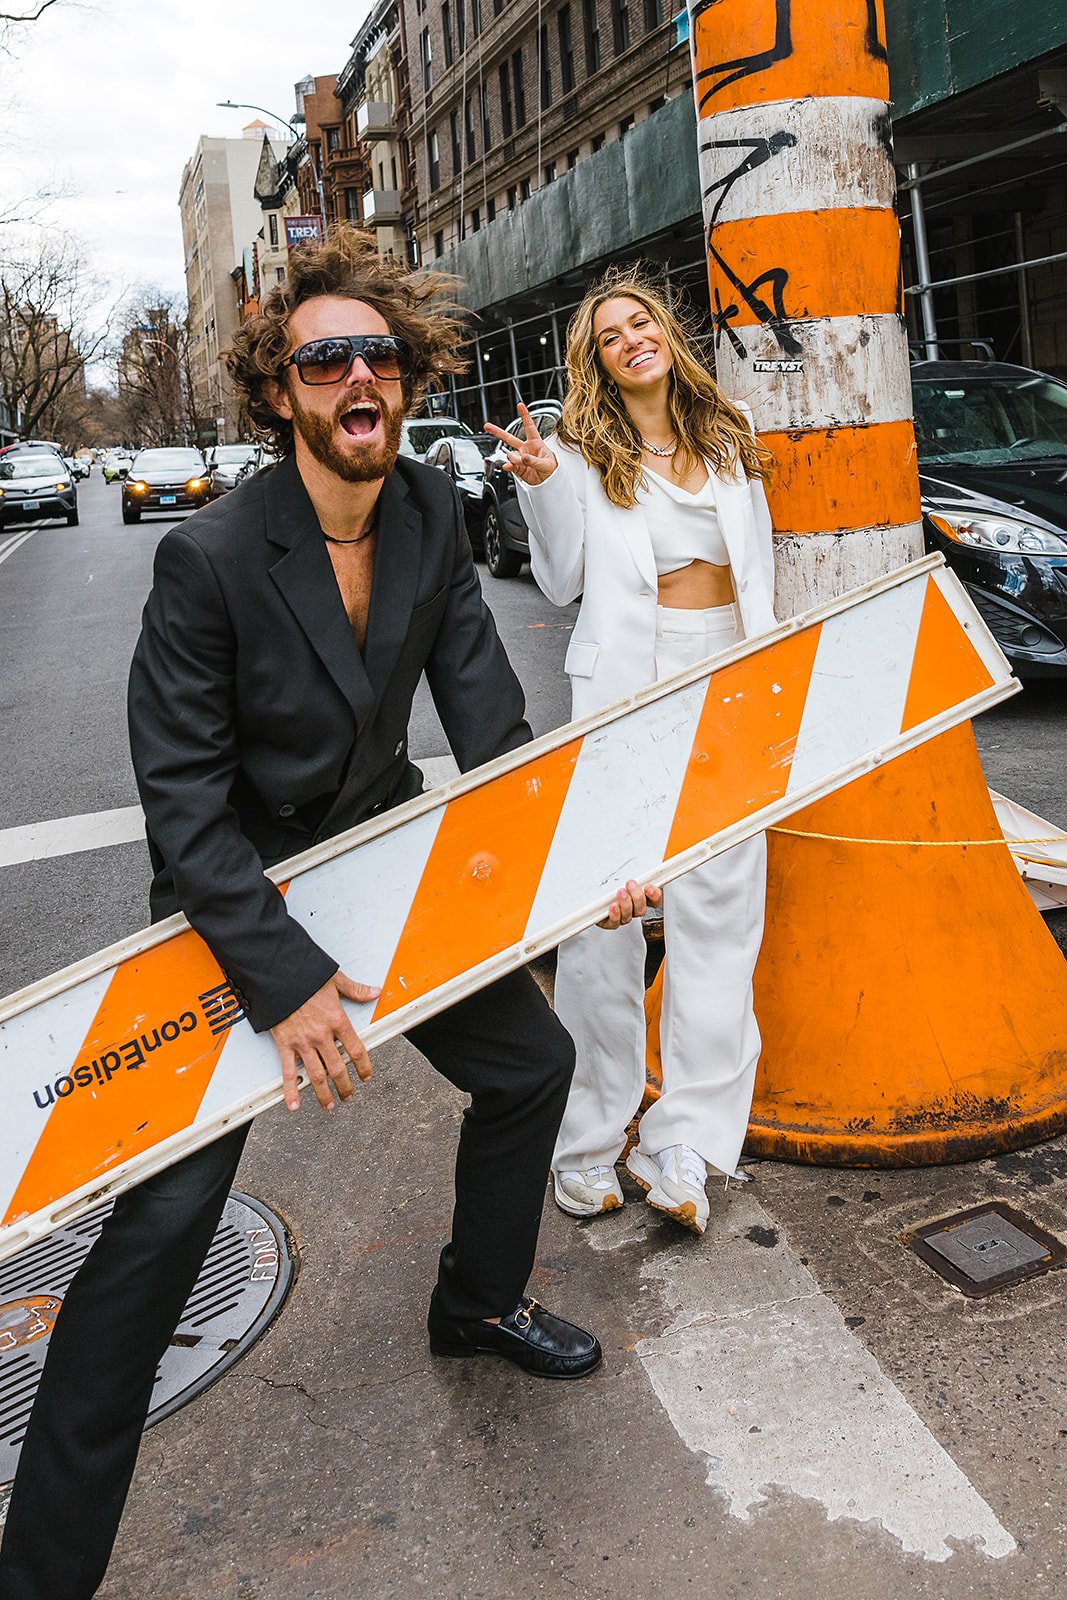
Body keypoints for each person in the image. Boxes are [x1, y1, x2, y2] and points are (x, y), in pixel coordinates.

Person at [0, 228, 603, 1600]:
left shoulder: (430, 514)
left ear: (405, 376)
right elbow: (182, 807)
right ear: (281, 393)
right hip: (236, 899)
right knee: (161, 1229)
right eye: (325, 359)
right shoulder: (209, 558)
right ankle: (41, 1570)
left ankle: (475, 1304)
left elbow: (495, 739)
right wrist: (283, 980)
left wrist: (577, 867)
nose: (357, 377)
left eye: (376, 354)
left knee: (529, 1065)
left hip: (377, 851)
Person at [487, 267, 777, 1238]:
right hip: (627, 690)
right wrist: (541, 491)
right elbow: (562, 579)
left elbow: (758, 574)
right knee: (603, 921)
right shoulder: (577, 454)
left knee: (719, 918)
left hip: (728, 685)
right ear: (598, 363)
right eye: (609, 336)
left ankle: (681, 1146)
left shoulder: (727, 432)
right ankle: (584, 1144)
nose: (629, 339)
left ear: (666, 333)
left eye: (639, 322)